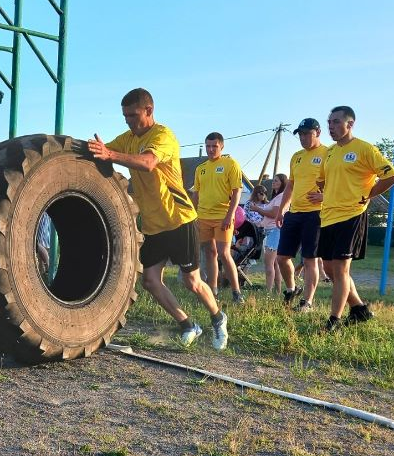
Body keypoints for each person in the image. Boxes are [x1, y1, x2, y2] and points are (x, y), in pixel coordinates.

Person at [89, 88, 228, 350]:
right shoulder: (129, 137)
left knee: (192, 282)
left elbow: (148, 162)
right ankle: (188, 325)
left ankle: (218, 319)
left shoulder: (162, 136)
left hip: (179, 220)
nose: (128, 120)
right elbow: (105, 149)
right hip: (153, 226)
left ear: (149, 111)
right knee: (151, 280)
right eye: (125, 116)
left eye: (132, 115)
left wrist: (111, 156)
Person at [317, 106, 394, 331]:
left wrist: (368, 194)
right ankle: (359, 309)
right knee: (329, 269)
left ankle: (334, 320)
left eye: (335, 122)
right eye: (329, 122)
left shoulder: (364, 149)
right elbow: (322, 179)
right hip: (328, 216)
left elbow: (391, 175)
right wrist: (325, 189)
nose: (331, 127)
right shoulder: (331, 152)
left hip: (351, 215)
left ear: (349, 124)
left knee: (341, 269)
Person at [274, 118, 327, 311]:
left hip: (315, 214)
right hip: (294, 213)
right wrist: (281, 210)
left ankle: (307, 302)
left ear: (318, 133)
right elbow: (291, 185)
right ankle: (291, 289)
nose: (303, 138)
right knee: (281, 257)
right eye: (301, 134)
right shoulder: (296, 156)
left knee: (309, 259)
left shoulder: (328, 154)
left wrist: (324, 196)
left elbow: (337, 182)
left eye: (307, 134)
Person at [190, 132, 245, 304]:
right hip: (203, 217)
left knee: (223, 253)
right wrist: (193, 215)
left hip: (223, 217)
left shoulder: (230, 164)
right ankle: (212, 290)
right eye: (208, 146)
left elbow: (237, 191)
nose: (210, 149)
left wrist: (229, 216)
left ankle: (236, 292)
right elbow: (196, 194)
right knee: (210, 253)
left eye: (214, 146)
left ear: (221, 146)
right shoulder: (201, 168)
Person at [247, 175, 288, 293]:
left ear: (282, 183)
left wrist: (257, 209)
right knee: (275, 263)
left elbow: (274, 214)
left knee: (268, 263)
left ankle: (268, 292)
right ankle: (278, 291)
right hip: (271, 230)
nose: (273, 182)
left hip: (274, 231)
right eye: (273, 180)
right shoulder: (276, 197)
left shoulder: (280, 197)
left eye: (276, 181)